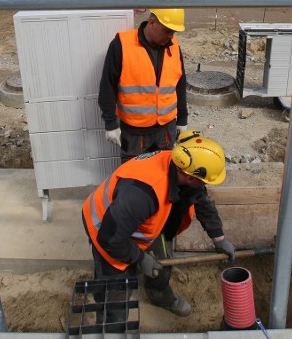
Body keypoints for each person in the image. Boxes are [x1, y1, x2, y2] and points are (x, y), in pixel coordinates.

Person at [81, 130, 236, 318]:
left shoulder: (180, 164)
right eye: (203, 181)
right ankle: (112, 318)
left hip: (136, 222)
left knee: (162, 263)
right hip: (105, 228)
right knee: (115, 288)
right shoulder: (142, 194)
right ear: (190, 177)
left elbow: (201, 200)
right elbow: (109, 238)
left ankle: (159, 295)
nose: (205, 186)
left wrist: (219, 238)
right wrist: (140, 258)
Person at [99, 8, 188, 162]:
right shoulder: (122, 45)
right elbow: (107, 86)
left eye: (174, 32)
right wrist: (110, 123)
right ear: (152, 22)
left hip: (166, 129)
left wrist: (182, 118)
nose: (171, 36)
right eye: (167, 31)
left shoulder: (173, 46)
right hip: (135, 133)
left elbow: (180, 83)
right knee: (133, 178)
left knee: (163, 173)